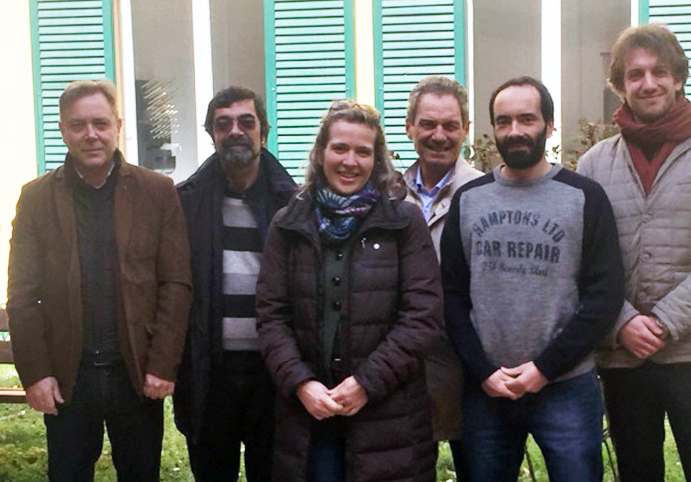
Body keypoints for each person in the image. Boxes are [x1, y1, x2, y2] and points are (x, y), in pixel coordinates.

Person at [577, 24, 691, 482]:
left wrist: (663, 321)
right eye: (634, 74)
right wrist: (622, 322)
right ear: (620, 86)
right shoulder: (594, 163)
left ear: (678, 78)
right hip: (622, 355)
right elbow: (581, 259)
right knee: (636, 472)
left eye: (660, 71)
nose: (649, 83)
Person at [7, 79, 192, 481]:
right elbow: (22, 295)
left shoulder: (156, 192)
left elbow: (175, 283)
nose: (90, 134)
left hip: (136, 373)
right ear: (63, 130)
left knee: (141, 474)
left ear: (118, 126)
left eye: (100, 123)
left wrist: (162, 363)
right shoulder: (36, 198)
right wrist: (37, 374)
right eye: (78, 125)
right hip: (68, 377)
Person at [441, 76, 624, 482]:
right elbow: (451, 296)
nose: (515, 131)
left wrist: (544, 368)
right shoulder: (469, 200)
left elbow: (604, 295)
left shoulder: (584, 197)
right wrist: (483, 370)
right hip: (487, 387)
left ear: (549, 124)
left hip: (565, 385)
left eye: (527, 119)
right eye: (503, 121)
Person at [255, 100, 443, 482]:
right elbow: (271, 316)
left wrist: (366, 383)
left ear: (377, 159)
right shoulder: (288, 223)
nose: (350, 161)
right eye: (340, 148)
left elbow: (422, 316)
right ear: (321, 151)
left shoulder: (403, 222)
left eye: (363, 151)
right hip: (311, 414)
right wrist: (301, 383)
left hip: (389, 417)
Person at [174, 86, 296, 481]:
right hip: (210, 375)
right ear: (211, 134)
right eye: (223, 124)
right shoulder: (185, 204)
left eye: (247, 122)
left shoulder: (293, 204)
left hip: (272, 376)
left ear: (265, 130)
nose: (236, 131)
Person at [402, 76, 482, 480]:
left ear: (466, 130)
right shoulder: (387, 196)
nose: (439, 135)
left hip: (471, 361)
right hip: (407, 363)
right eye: (428, 124)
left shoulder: (488, 193)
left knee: (478, 466)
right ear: (409, 127)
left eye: (450, 125)